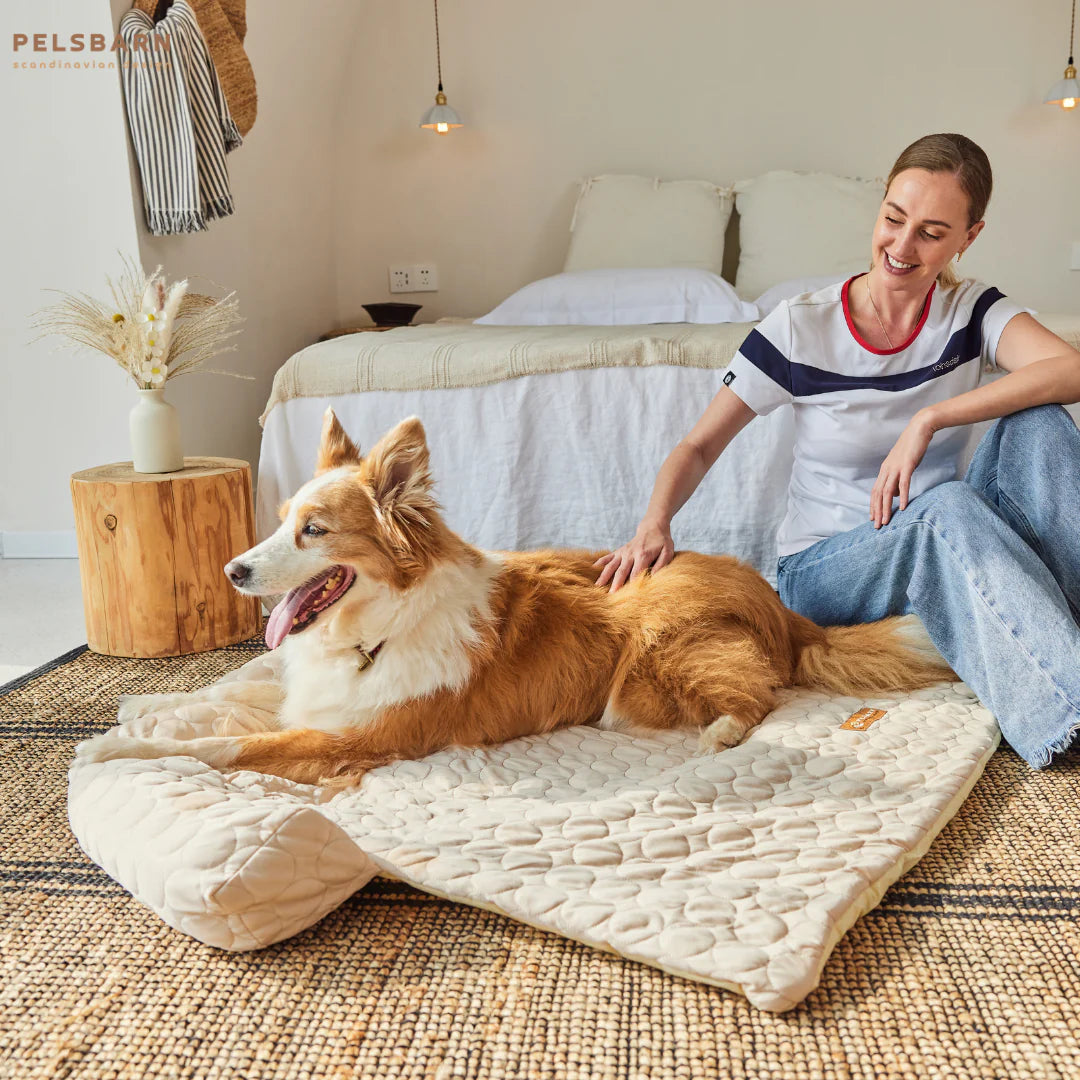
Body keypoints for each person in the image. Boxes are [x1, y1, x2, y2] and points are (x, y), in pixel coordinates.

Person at [596, 133, 1080, 769]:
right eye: (892, 220)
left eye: (932, 233)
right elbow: (698, 443)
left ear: (969, 236)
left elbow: (1069, 369)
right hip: (826, 568)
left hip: (935, 534)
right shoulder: (801, 325)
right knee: (949, 508)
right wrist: (652, 525)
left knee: (1039, 420)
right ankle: (1065, 710)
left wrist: (932, 417)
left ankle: (1061, 640)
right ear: (879, 209)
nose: (902, 247)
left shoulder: (972, 310)